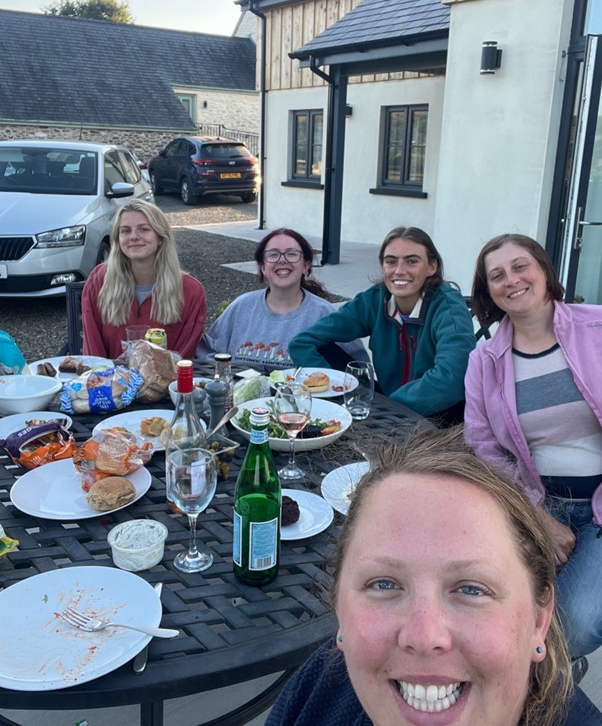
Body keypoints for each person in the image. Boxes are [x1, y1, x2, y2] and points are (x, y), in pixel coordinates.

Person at [266, 427, 602, 726]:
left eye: (471, 589)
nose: (424, 637)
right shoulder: (318, 690)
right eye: (384, 584)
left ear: (539, 620)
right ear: (339, 604)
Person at [464, 233, 602, 662]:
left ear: (544, 270)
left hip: (599, 505)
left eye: (521, 266)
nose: (513, 280)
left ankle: (553, 687)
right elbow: (483, 446)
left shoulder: (597, 328)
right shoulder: (485, 360)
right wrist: (536, 516)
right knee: (486, 607)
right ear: (488, 291)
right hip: (535, 502)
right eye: (497, 275)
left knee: (573, 626)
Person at [289, 226, 475, 421]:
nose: (399, 270)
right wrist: (333, 394)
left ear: (432, 267)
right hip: (385, 406)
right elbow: (302, 343)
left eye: (412, 261)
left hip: (438, 415)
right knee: (324, 347)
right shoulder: (375, 299)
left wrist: (388, 408)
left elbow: (452, 378)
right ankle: (344, 411)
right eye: (391, 261)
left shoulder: (448, 307)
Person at [197, 227, 368, 370]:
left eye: (292, 254)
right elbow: (207, 353)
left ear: (306, 266)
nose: (282, 260)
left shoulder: (325, 314)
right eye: (273, 255)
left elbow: (357, 369)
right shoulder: (241, 308)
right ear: (263, 267)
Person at [82, 199, 206, 359]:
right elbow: (93, 354)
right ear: (117, 240)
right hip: (110, 381)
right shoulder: (99, 281)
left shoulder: (191, 291)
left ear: (160, 237)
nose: (134, 237)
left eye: (144, 229)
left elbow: (183, 358)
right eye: (125, 231)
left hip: (168, 382)